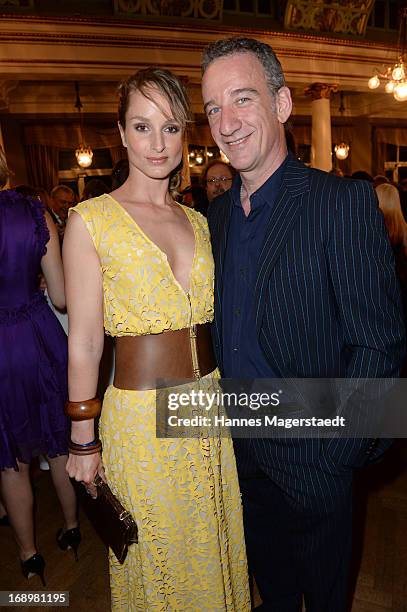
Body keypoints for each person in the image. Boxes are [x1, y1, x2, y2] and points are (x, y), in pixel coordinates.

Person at [201, 37, 406, 611]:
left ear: (283, 104)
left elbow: (379, 342)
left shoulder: (338, 203)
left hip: (316, 458)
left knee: (324, 598)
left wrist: (341, 448)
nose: (227, 121)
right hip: (242, 453)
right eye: (214, 107)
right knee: (274, 592)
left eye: (242, 99)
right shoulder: (214, 217)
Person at [63, 67, 250, 611]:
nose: (157, 143)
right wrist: (82, 440)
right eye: (142, 127)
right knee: (162, 561)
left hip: (206, 404)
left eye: (170, 127)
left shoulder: (198, 220)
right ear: (120, 133)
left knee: (210, 547)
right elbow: (84, 344)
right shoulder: (90, 221)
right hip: (142, 419)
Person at [0, 149, 80, 586]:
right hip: (38, 333)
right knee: (59, 443)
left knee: (9, 461)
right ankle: (72, 530)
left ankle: (30, 557)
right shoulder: (33, 211)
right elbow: (64, 299)